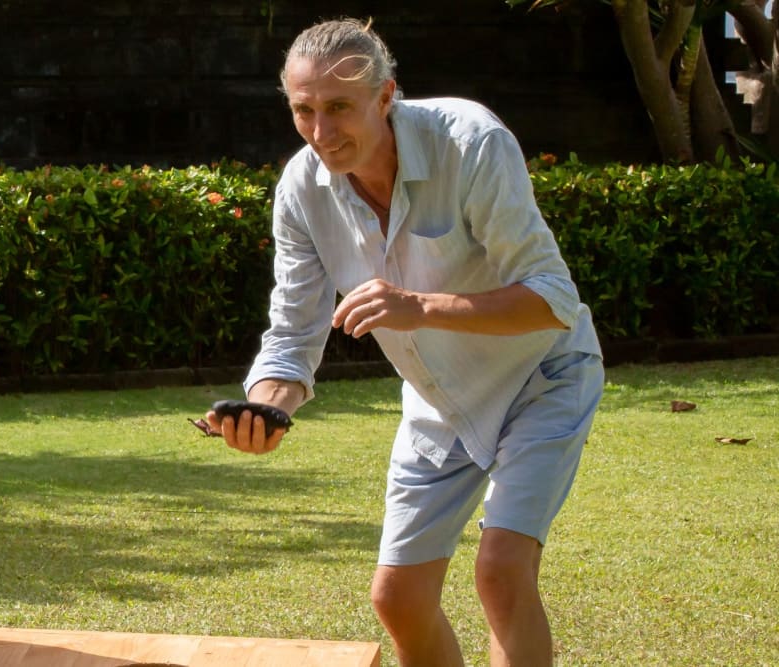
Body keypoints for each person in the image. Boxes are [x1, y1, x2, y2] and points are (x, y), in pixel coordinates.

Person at [204, 17, 604, 667]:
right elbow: (292, 334)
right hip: (439, 398)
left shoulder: (472, 143)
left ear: (387, 97)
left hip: (543, 376)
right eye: (304, 110)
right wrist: (267, 406)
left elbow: (552, 301)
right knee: (399, 597)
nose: (321, 133)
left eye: (339, 108)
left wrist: (417, 305)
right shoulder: (301, 190)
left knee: (501, 571)